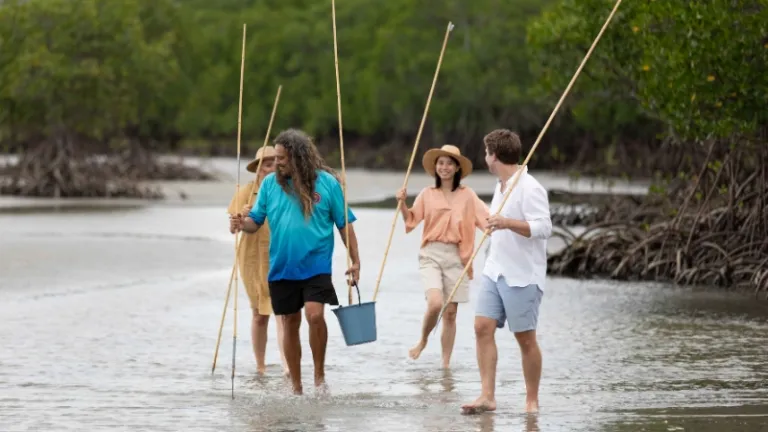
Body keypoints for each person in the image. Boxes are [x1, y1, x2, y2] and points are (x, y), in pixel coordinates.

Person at [230, 128, 360, 396]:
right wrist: (243, 223)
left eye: (281, 158)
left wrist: (355, 260)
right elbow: (255, 222)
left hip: (316, 265)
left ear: (299, 157)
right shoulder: (269, 185)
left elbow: (345, 224)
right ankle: (297, 387)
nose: (277, 163)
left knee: (315, 314)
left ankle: (319, 376)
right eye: (275, 158)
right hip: (282, 267)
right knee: (290, 322)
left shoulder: (327, 184)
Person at [461, 129, 552, 415]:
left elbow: (543, 228)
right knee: (481, 327)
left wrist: (507, 222)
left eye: (487, 153)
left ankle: (531, 400)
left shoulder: (530, 188)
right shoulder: (502, 186)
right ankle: (487, 396)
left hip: (523, 276)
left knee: (525, 338)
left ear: (495, 156)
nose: (485, 158)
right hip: (495, 270)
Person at [395, 144, 489, 368]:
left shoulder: (468, 196)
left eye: (449, 163)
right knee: (436, 303)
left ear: (457, 168)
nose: (444, 167)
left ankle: (445, 364)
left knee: (450, 313)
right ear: (435, 167)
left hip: (458, 256)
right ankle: (423, 340)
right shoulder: (428, 194)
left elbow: (487, 220)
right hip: (432, 254)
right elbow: (412, 220)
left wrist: (505, 222)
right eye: (441, 163)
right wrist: (401, 204)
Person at [226, 145, 289, 376]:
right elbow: (233, 229)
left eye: (275, 164)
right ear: (258, 169)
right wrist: (240, 218)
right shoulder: (246, 192)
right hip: (252, 257)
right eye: (266, 164)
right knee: (259, 314)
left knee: (283, 312)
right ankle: (260, 366)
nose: (271, 168)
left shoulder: (286, 191)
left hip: (280, 255)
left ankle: (287, 366)